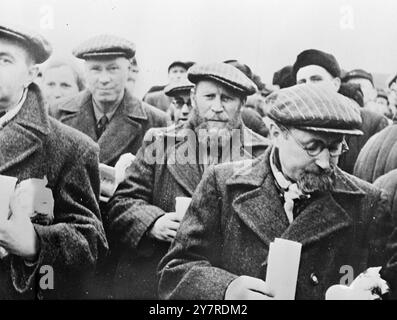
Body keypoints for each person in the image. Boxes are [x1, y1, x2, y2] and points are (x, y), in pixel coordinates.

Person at [158, 84, 397, 300]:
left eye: (335, 148)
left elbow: (385, 281)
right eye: (313, 147)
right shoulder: (223, 184)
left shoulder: (368, 203)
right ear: (275, 133)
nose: (325, 162)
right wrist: (226, 289)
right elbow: (175, 269)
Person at [106, 62, 270, 299]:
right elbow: (122, 201)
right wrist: (153, 222)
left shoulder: (261, 154)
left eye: (227, 99)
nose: (216, 108)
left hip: (225, 288)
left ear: (242, 104)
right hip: (155, 282)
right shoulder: (160, 143)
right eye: (209, 96)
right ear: (193, 98)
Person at [0, 23, 108, 299]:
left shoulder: (73, 148)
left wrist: (35, 243)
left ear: (31, 75)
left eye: (4, 59)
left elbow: (90, 243)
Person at [50, 34, 170, 168]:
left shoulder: (157, 122)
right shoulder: (55, 113)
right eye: (96, 69)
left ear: (128, 70)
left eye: (113, 69)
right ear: (86, 72)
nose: (104, 79)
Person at [292, 49, 389, 174]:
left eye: (316, 79)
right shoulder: (291, 126)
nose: (309, 86)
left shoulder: (371, 123)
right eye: (302, 82)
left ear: (335, 84)